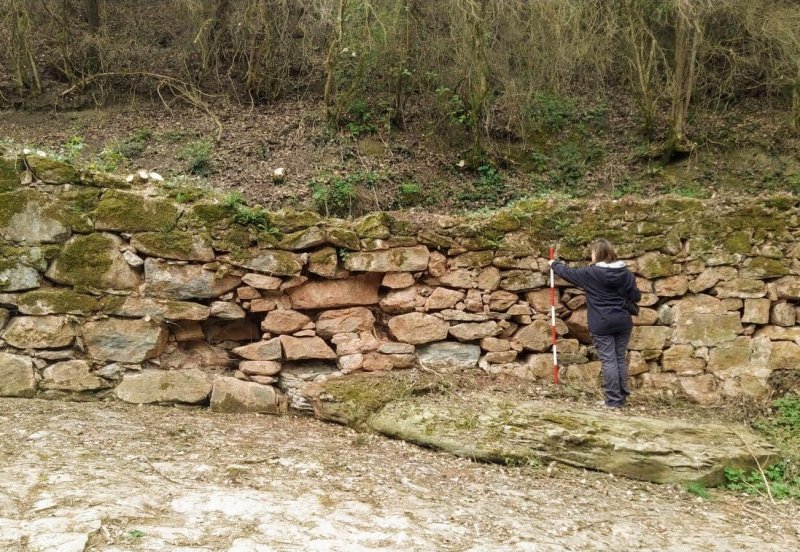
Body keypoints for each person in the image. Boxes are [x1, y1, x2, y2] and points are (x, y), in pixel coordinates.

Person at [548, 239, 641, 408]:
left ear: (596, 254)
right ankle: (621, 398)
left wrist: (554, 264)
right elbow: (636, 297)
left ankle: (613, 401)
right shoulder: (626, 274)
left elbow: (569, 273)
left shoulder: (591, 273)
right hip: (623, 321)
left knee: (609, 361)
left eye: (592, 252)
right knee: (619, 358)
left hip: (601, 322)